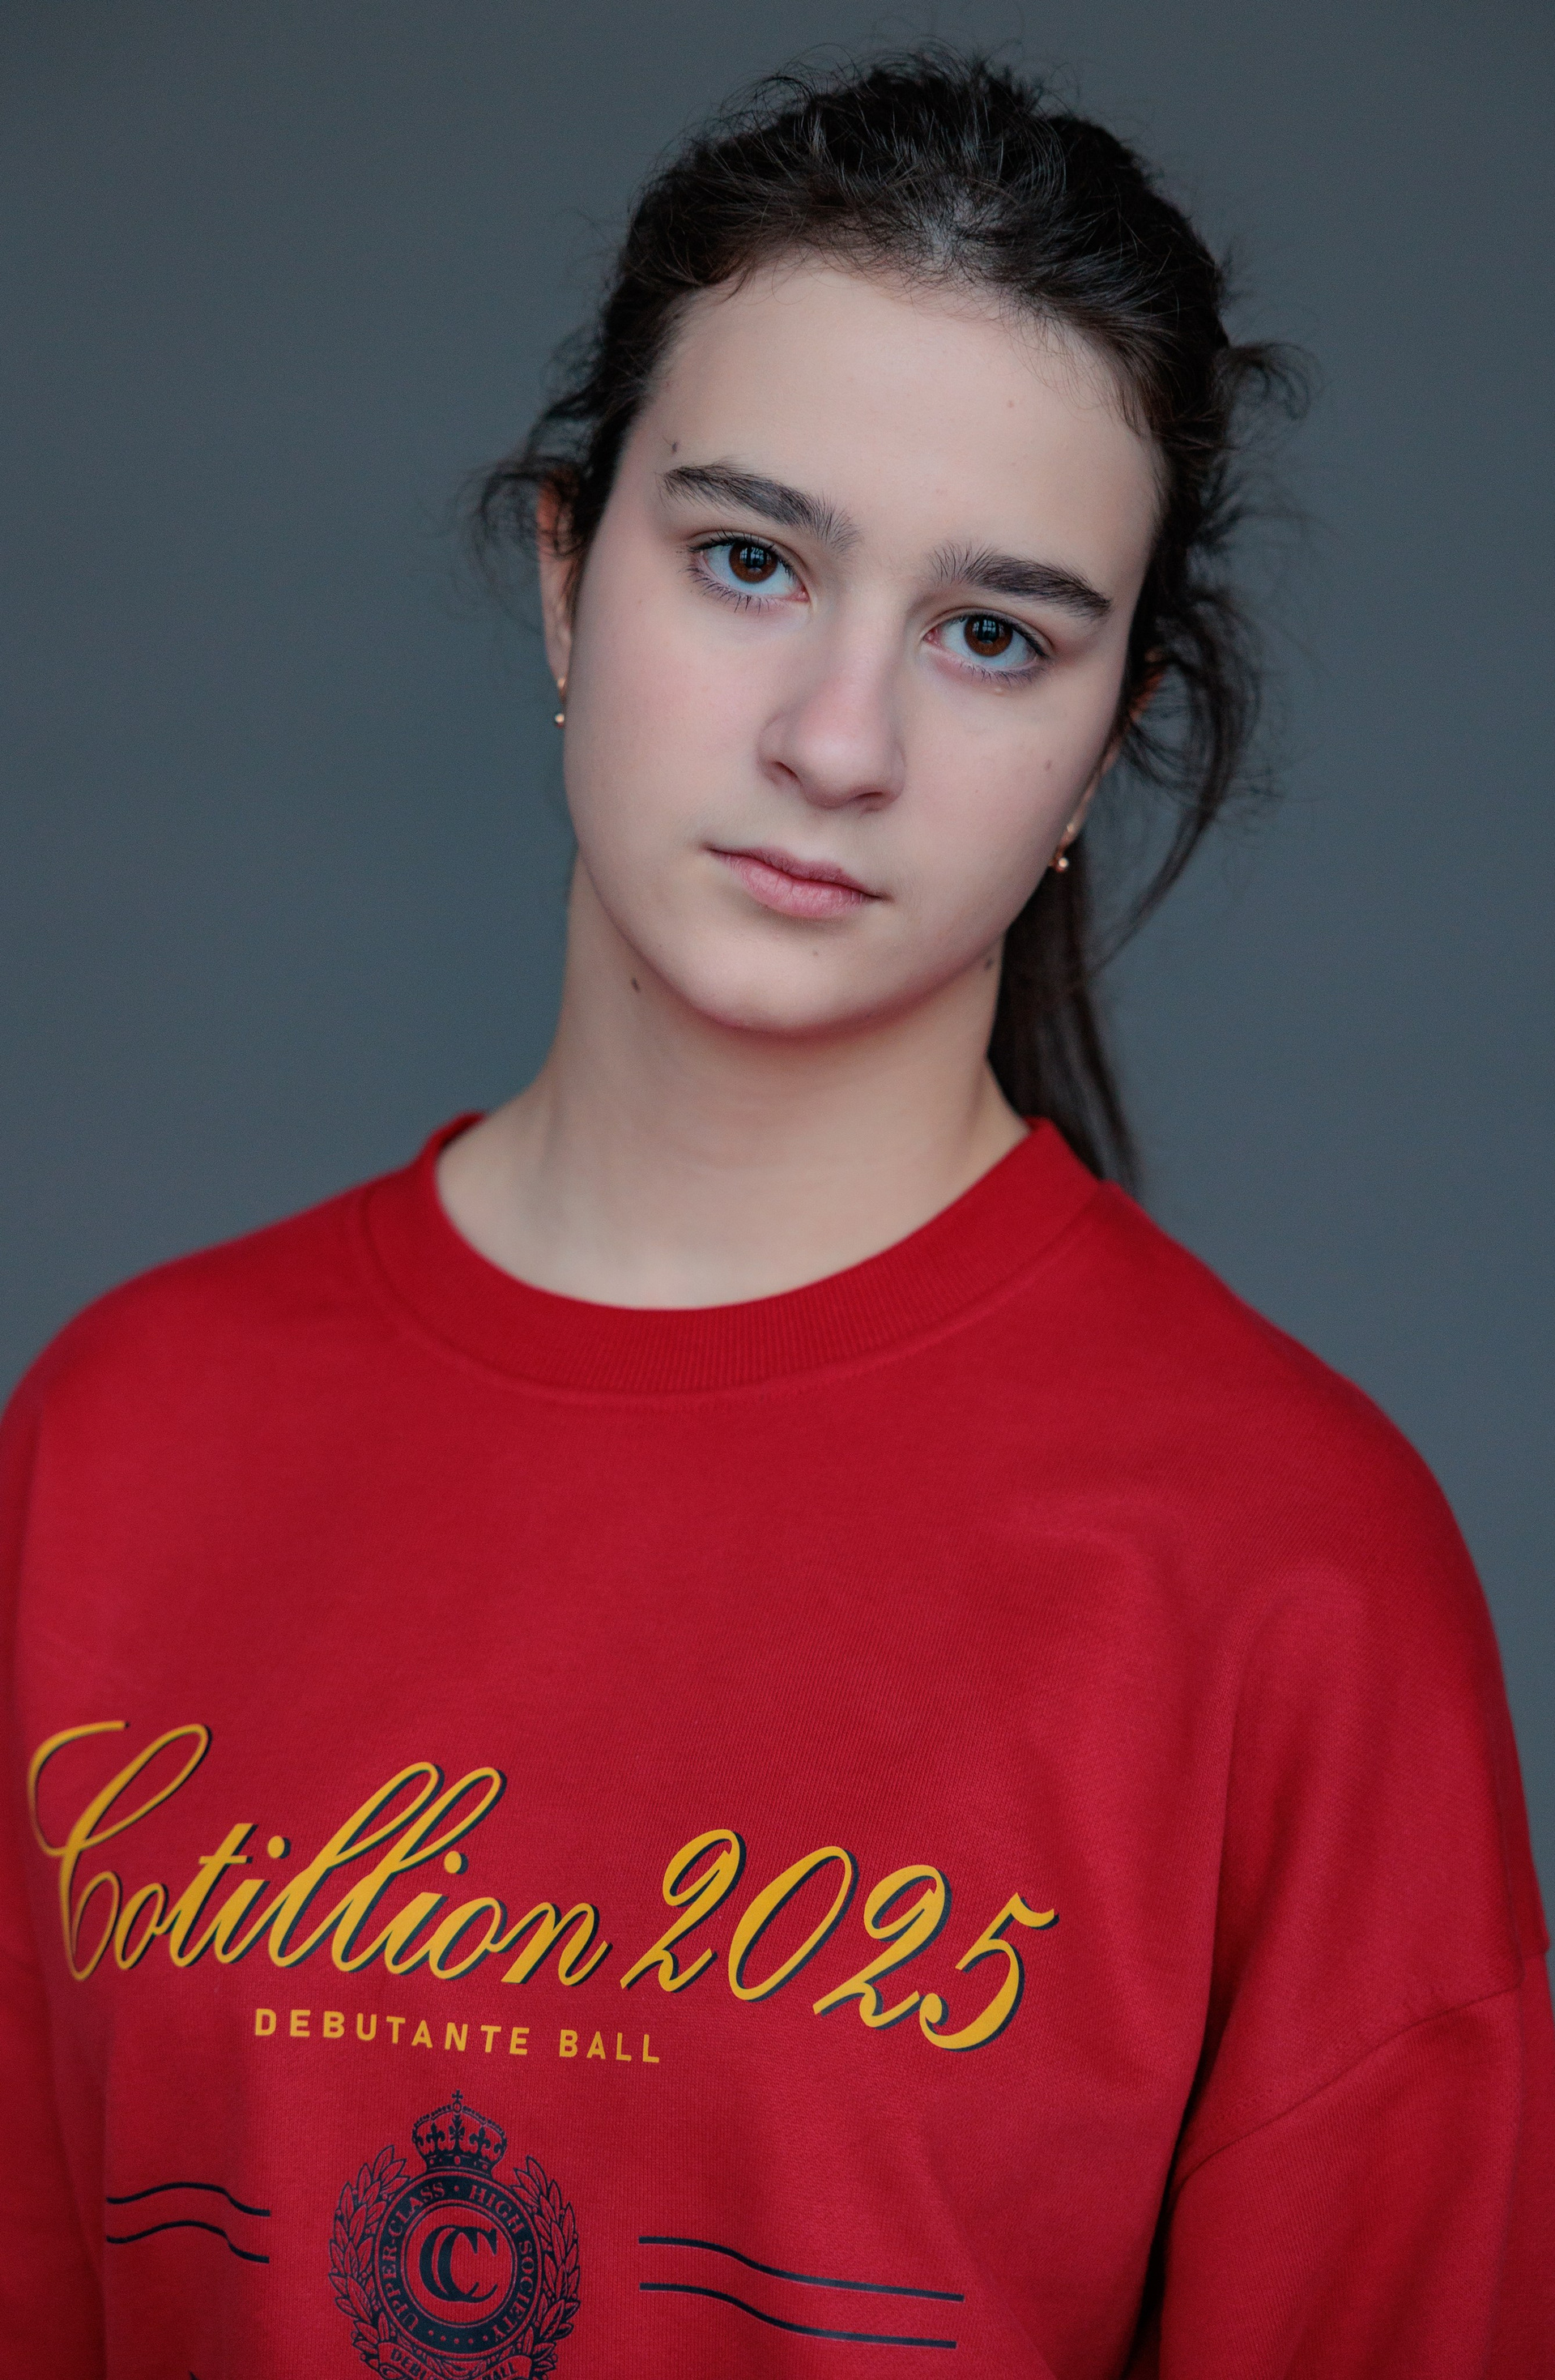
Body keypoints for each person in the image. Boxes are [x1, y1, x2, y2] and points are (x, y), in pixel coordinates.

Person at [2, 49, 1548, 2380]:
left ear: (1106, 736)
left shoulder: (1292, 1578)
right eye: (750, 559)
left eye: (994, 631)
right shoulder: (119, 1447)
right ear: (565, 576)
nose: (840, 741)